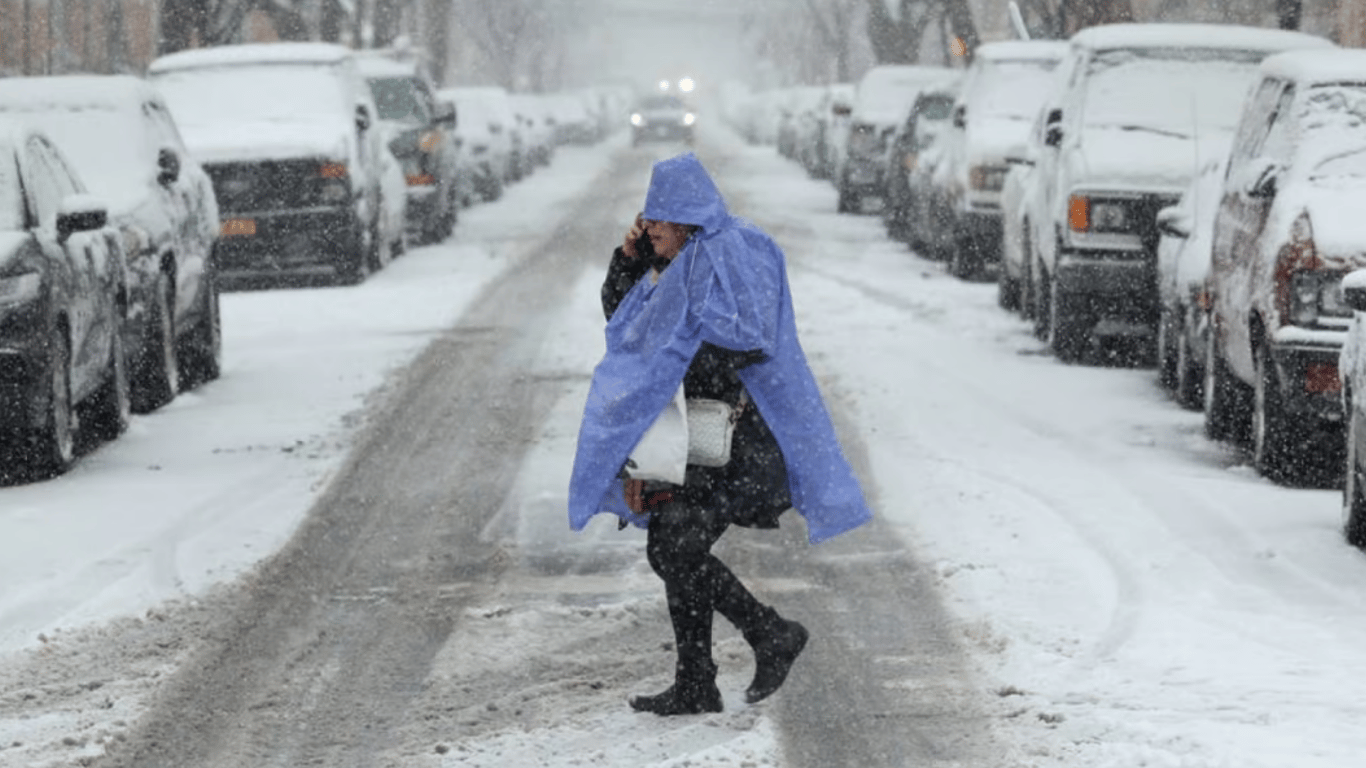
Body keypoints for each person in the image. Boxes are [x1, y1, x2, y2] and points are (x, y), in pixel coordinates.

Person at [569, 152, 871, 716]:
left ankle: (762, 639)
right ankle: (703, 676)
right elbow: (623, 320)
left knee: (674, 545)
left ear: (685, 216)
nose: (649, 225)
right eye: (647, 217)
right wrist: (630, 260)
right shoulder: (672, 262)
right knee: (673, 543)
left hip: (740, 437)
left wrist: (674, 353)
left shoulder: (733, 250)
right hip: (692, 435)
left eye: (657, 218)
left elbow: (747, 339)